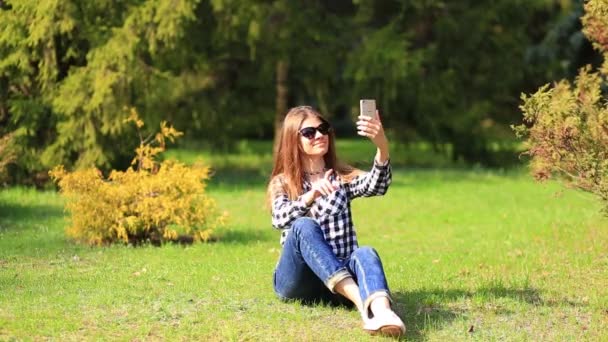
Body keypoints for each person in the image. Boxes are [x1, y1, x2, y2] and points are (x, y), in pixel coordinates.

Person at [267, 105, 406, 337]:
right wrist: (310, 196)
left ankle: (383, 313)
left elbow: (377, 185)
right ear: (293, 140)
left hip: (338, 285)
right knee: (303, 226)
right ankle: (364, 306)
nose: (320, 135)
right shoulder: (282, 182)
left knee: (365, 253)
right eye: (309, 132)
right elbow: (279, 219)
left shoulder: (340, 176)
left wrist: (382, 147)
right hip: (299, 283)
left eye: (323, 129)